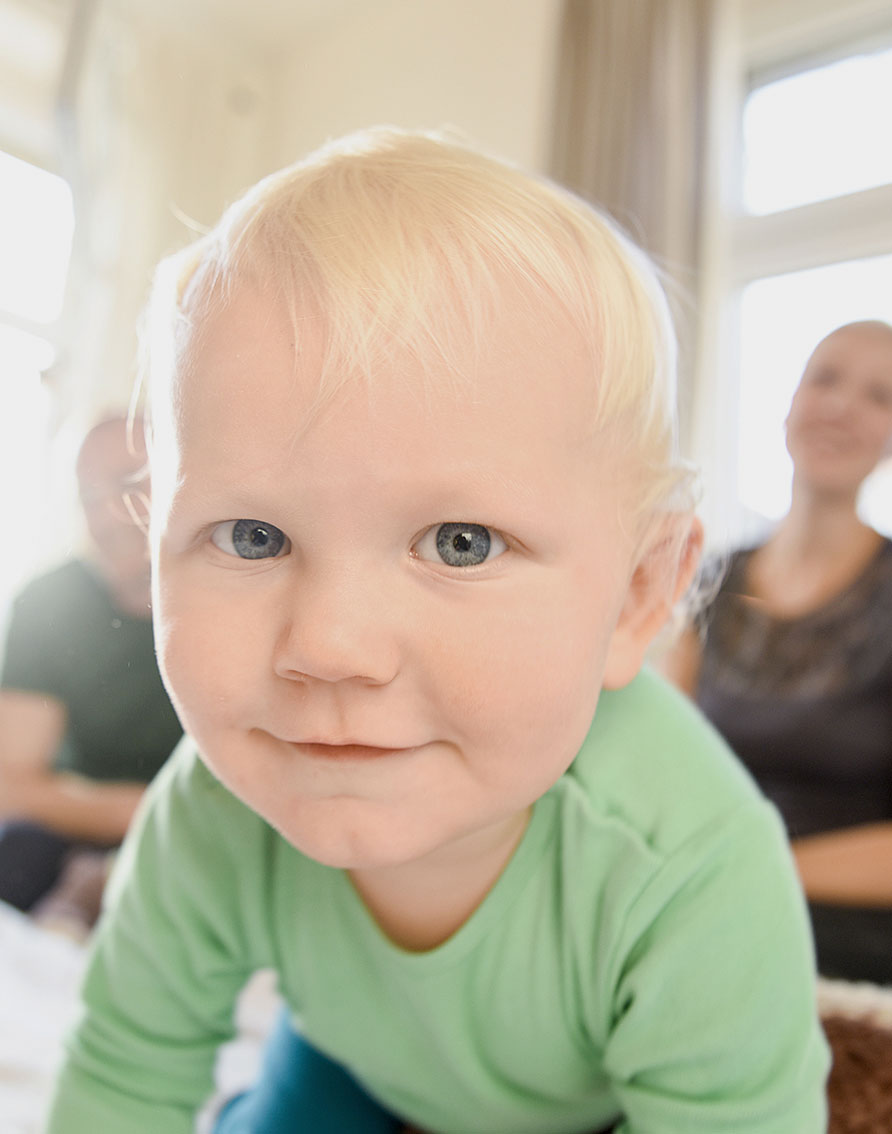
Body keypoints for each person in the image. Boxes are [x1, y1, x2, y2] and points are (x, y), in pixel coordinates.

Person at [46, 128, 828, 1134]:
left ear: (637, 596)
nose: (328, 646)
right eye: (251, 535)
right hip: (345, 1065)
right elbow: (123, 1074)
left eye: (460, 543)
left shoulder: (687, 865)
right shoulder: (206, 811)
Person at [662, 319, 892, 985]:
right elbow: (667, 766)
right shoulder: (709, 579)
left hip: (843, 932)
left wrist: (757, 869)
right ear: (790, 403)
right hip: (710, 900)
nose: (844, 406)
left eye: (880, 395)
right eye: (826, 378)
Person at [0, 415, 183, 913]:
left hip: (167, 836)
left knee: (7, 860)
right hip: (92, 813)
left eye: (129, 485)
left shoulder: (229, 608)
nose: (106, 516)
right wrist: (142, 810)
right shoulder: (47, 602)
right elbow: (3, 791)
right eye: (88, 495)